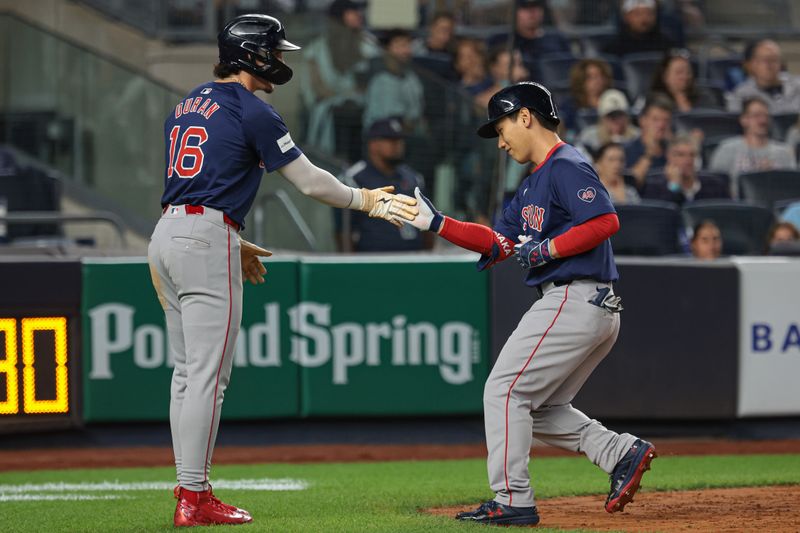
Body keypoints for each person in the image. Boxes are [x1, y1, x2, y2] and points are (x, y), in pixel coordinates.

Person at [147, 14, 417, 527]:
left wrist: (233, 237)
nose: (280, 60)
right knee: (207, 377)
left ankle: (190, 489)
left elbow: (197, 186)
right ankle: (194, 496)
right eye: (274, 51)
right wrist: (365, 201)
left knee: (186, 374)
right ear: (250, 54)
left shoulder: (186, 104)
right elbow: (312, 183)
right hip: (204, 238)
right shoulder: (254, 109)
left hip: (167, 235)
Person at [407, 81, 656, 526]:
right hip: (586, 304)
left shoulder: (566, 164)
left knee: (503, 390)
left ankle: (513, 500)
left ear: (525, 117)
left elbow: (604, 220)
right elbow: (498, 242)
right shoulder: (532, 184)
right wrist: (437, 222)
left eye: (501, 128)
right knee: (536, 408)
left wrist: (548, 250)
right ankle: (618, 451)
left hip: (575, 295)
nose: (500, 142)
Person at [301, 0, 378, 162]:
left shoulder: (367, 45)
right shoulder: (317, 48)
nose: (359, 15)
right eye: (353, 12)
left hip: (364, 106)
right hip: (331, 107)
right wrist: (340, 95)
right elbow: (317, 86)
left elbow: (371, 81)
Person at [337, 118, 430, 252]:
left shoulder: (414, 178)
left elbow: (427, 225)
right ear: (373, 144)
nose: (397, 145)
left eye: (399, 140)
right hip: (372, 262)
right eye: (390, 140)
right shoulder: (353, 179)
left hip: (413, 259)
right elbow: (344, 231)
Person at [709, 97, 797, 196]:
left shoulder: (784, 152)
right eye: (756, 116)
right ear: (744, 120)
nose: (762, 121)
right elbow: (715, 186)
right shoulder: (727, 149)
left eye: (766, 116)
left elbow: (792, 189)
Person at [364, 29, 425, 134]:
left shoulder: (411, 75)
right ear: (388, 48)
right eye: (401, 46)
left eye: (407, 45)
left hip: (410, 131)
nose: (406, 51)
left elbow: (418, 107)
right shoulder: (380, 76)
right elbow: (385, 116)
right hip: (383, 134)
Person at [641, 134, 729, 205]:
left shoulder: (715, 186)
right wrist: (674, 186)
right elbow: (664, 218)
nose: (688, 160)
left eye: (692, 155)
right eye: (680, 155)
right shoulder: (654, 187)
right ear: (669, 156)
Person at [486, 0, 570, 67]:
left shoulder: (557, 39)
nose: (532, 12)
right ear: (514, 12)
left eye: (537, 6)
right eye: (525, 7)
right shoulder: (501, 40)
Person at [726, 39, 800, 114]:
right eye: (764, 60)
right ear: (750, 65)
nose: (769, 65)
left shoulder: (797, 85)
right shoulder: (740, 96)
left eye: (774, 59)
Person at [624, 95, 674, 190]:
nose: (661, 125)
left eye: (666, 120)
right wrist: (649, 154)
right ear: (642, 120)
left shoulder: (672, 151)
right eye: (655, 119)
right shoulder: (627, 150)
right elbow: (631, 185)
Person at [648, 49, 720, 112]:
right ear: (665, 76)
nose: (684, 76)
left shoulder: (704, 97)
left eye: (688, 72)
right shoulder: (653, 101)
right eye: (679, 72)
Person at [601, 0, 678, 57]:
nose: (644, 18)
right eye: (638, 14)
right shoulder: (613, 49)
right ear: (626, 17)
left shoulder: (667, 45)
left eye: (649, 13)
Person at [576, 88, 640, 155]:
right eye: (611, 116)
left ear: (627, 117)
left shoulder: (636, 137)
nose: (616, 120)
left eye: (619, 115)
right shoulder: (588, 137)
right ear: (602, 119)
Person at [560, 58, 614, 134]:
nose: (597, 80)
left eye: (601, 75)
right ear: (581, 80)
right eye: (590, 77)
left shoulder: (613, 99)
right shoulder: (571, 105)